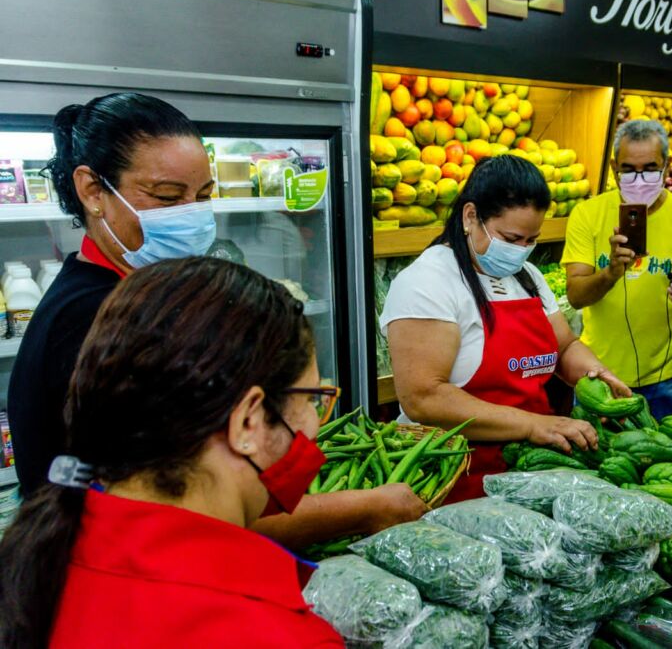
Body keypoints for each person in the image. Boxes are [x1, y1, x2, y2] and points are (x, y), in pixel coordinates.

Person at [8, 92, 424, 547]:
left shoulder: (142, 297)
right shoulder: (93, 319)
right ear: (92, 191)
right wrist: (364, 506)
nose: (193, 215)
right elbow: (192, 505)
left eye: (203, 196)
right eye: (167, 196)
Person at [0, 258, 344, 647]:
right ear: (248, 421)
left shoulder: (48, 555)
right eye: (314, 399)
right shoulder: (273, 633)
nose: (316, 424)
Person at [381, 154, 631, 502]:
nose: (520, 252)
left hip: (530, 468)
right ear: (471, 216)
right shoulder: (427, 282)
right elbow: (425, 397)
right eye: (511, 238)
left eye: (531, 241)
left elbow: (565, 346)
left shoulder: (528, 278)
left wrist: (596, 375)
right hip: (453, 476)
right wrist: (532, 424)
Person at [561, 120, 672, 419]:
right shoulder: (587, 215)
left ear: (667, 165)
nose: (639, 178)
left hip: (664, 379)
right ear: (613, 168)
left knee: (665, 464)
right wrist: (610, 273)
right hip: (598, 377)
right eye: (628, 169)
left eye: (649, 168)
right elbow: (575, 296)